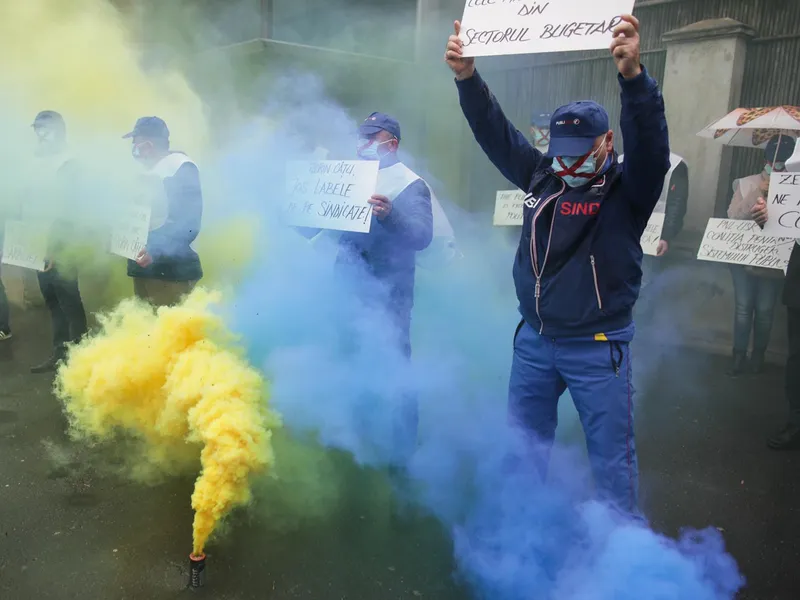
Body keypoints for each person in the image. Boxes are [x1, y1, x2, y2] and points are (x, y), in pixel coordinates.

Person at [445, 14, 669, 517]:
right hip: (535, 341)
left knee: (612, 462)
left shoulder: (628, 190)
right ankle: (520, 538)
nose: (566, 163)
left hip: (597, 347)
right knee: (522, 451)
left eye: (579, 152)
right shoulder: (541, 175)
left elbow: (651, 144)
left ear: (606, 144)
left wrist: (634, 79)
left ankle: (621, 559)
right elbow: (495, 134)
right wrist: (467, 79)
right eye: (559, 151)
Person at [337, 112, 434, 463]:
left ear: (390, 143)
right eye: (360, 137)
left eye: (370, 137)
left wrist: (391, 214)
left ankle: (402, 453)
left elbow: (422, 236)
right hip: (347, 287)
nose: (362, 144)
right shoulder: (349, 177)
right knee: (347, 362)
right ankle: (354, 444)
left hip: (389, 294)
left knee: (394, 367)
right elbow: (322, 227)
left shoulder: (410, 184)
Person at [724, 135, 795, 376]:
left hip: (773, 259)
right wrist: (758, 191)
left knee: (765, 311)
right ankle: (738, 356)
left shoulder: (795, 188)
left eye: (784, 159)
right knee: (743, 309)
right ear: (766, 158)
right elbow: (733, 216)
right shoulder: (745, 183)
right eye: (775, 158)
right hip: (743, 259)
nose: (777, 164)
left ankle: (758, 358)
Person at [29, 110, 88, 373]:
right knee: (52, 299)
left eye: (45, 129)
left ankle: (82, 357)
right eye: (37, 129)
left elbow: (71, 211)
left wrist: (54, 248)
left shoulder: (70, 161)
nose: (40, 135)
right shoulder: (40, 161)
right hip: (40, 242)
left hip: (62, 243)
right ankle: (60, 353)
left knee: (68, 298)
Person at [123, 117, 203, 307]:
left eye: (137, 141)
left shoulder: (180, 167)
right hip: (144, 269)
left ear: (149, 144)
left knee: (167, 332)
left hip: (171, 272)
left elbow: (188, 223)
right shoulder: (149, 171)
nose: (134, 147)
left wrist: (154, 249)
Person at [768, 136, 800, 450]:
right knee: (797, 357)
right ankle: (795, 420)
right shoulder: (792, 189)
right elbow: (777, 223)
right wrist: (766, 216)